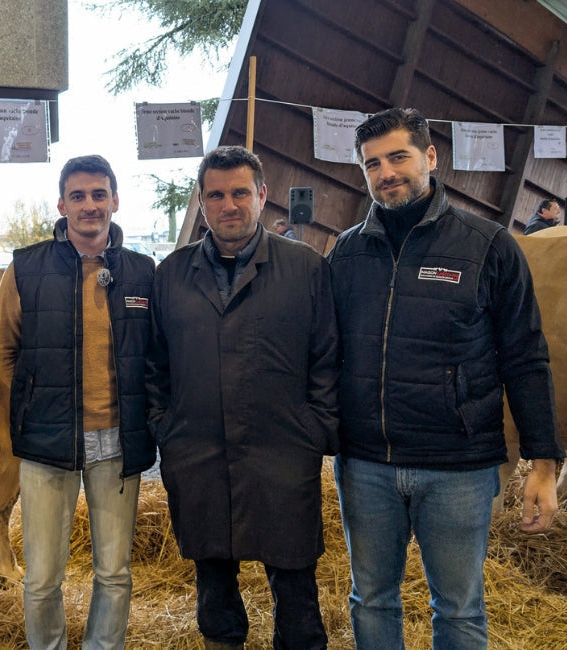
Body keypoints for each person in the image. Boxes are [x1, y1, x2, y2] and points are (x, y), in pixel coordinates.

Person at [327, 107, 565, 649]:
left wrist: (544, 463)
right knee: (371, 601)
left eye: (398, 157)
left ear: (430, 157)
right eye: (372, 164)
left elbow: (526, 358)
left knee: (458, 609)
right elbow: (324, 354)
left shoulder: (488, 246)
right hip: (366, 464)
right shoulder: (346, 252)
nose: (386, 172)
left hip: (458, 467)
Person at [147, 146, 338, 650]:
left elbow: (327, 360)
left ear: (262, 196)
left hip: (283, 451)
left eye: (239, 193)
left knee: (294, 579)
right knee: (213, 580)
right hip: (199, 453)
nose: (228, 205)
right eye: (216, 195)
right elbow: (154, 365)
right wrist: (166, 428)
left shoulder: (306, 269)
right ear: (202, 201)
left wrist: (313, 431)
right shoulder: (172, 274)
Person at [0, 154, 156, 650]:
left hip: (119, 443)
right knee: (41, 577)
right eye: (78, 196)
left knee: (114, 571)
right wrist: (36, 404)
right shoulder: (26, 268)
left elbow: (156, 356)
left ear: (115, 201)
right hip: (48, 442)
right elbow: (1, 352)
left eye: (99, 195)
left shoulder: (143, 272)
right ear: (62, 205)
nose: (90, 205)